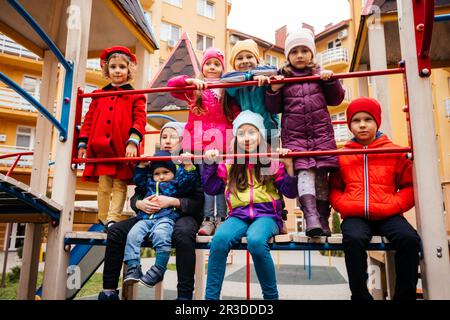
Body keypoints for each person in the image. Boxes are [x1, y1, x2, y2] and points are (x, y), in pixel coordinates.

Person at [98, 122, 204, 300]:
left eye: (173, 137)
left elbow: (198, 201)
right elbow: (137, 194)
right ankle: (109, 290)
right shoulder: (153, 162)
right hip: (150, 214)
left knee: (183, 234)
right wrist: (140, 204)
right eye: (164, 137)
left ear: (182, 141)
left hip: (181, 214)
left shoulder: (189, 163)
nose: (167, 141)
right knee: (116, 231)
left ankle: (184, 296)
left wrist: (172, 201)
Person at [329, 97, 421, 300]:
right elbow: (334, 188)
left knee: (409, 239)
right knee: (353, 239)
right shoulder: (342, 155)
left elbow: (409, 186)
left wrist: (394, 204)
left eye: (368, 119)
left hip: (388, 213)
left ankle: (404, 296)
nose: (362, 124)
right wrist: (343, 204)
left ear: (377, 122)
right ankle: (361, 296)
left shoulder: (394, 151)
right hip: (355, 214)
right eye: (356, 120)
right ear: (350, 125)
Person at [202, 111, 298, 300]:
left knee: (255, 241)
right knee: (219, 240)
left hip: (267, 216)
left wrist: (289, 167)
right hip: (238, 216)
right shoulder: (230, 162)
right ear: (236, 138)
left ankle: (271, 298)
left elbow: (291, 192)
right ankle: (211, 298)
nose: (246, 138)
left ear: (261, 136)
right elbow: (212, 187)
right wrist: (211, 164)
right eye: (242, 133)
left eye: (252, 132)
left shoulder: (270, 159)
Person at [265, 29, 345, 237]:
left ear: (311, 54)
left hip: (321, 136)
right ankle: (310, 217)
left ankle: (323, 218)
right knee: (304, 174)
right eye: (294, 52)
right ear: (288, 56)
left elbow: (336, 100)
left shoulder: (319, 74)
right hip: (296, 138)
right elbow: (274, 108)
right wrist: (274, 89)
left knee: (321, 177)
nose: (299, 55)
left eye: (304, 50)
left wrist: (330, 80)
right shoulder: (284, 77)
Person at [167, 47, 241, 236]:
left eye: (216, 64)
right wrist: (189, 81)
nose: (212, 67)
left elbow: (236, 112)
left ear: (222, 68)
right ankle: (208, 219)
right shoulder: (196, 89)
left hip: (222, 144)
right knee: (207, 183)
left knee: (222, 180)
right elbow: (171, 85)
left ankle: (223, 218)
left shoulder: (226, 90)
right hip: (200, 143)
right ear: (203, 66)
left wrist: (238, 135)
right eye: (208, 63)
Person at [77, 46, 147, 230]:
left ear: (129, 70)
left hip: (122, 148)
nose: (117, 70)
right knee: (103, 185)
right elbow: (89, 120)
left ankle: (113, 219)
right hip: (101, 148)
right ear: (107, 69)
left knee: (119, 185)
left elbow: (140, 120)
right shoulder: (98, 95)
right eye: (113, 67)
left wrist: (133, 141)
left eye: (122, 67)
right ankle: (102, 218)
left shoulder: (136, 96)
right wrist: (83, 142)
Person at [122, 150, 197, 287]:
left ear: (173, 173)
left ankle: (159, 268)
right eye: (157, 173)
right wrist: (142, 165)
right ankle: (133, 267)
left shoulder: (175, 183)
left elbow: (188, 182)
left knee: (161, 235)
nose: (161, 177)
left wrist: (188, 166)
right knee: (132, 235)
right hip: (145, 218)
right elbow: (138, 180)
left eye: (165, 172)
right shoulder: (149, 183)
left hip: (166, 218)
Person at [221, 39, 281, 148]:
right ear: (234, 65)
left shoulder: (264, 72)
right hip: (248, 132)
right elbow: (225, 80)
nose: (244, 61)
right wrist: (251, 77)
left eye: (249, 57)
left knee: (273, 161)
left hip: (270, 130)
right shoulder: (235, 79)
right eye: (239, 58)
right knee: (251, 162)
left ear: (257, 61)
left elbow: (274, 70)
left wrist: (258, 74)